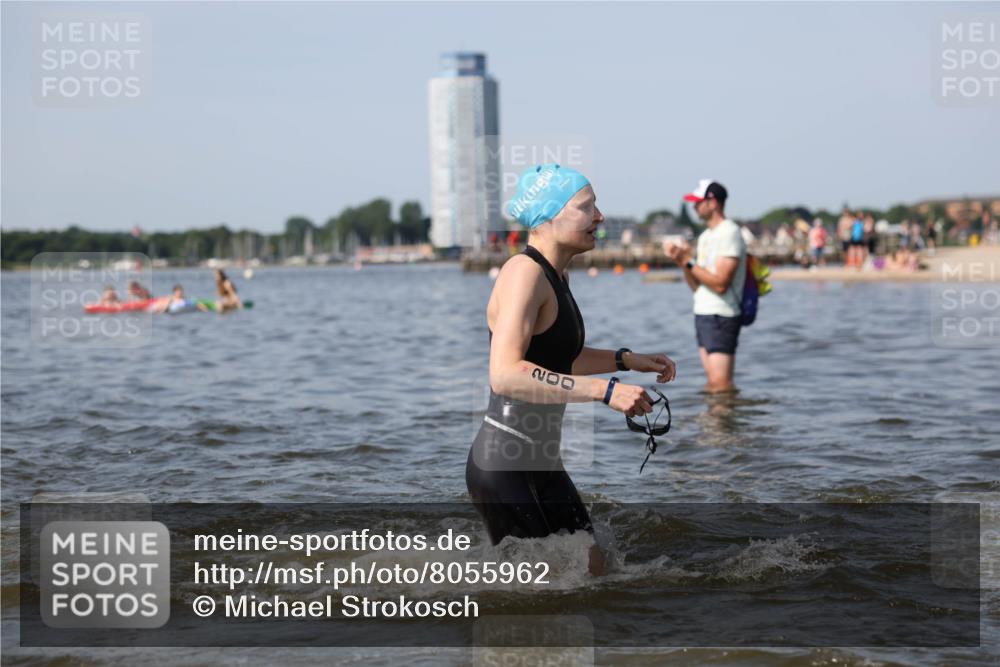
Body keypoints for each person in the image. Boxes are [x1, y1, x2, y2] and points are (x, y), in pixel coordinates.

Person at [466, 164, 677, 575]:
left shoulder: (557, 274)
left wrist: (627, 360)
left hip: (542, 463)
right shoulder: (523, 273)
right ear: (547, 217)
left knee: (596, 573)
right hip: (506, 466)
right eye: (587, 207)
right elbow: (505, 373)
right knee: (540, 593)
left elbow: (558, 359)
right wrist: (606, 390)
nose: (599, 216)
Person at [663, 179, 746, 393]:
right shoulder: (706, 236)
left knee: (721, 384)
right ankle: (714, 424)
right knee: (713, 383)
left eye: (698, 202)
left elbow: (720, 284)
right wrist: (681, 261)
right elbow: (697, 286)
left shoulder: (729, 232)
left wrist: (688, 261)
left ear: (713, 202)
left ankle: (724, 424)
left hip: (722, 315)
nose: (694, 207)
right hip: (704, 313)